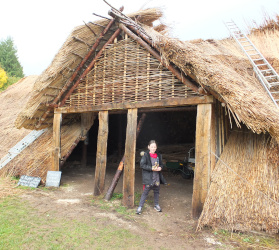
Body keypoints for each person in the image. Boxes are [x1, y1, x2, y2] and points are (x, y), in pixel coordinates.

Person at [136, 140, 167, 215]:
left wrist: (160, 168)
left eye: (154, 147)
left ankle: (156, 205)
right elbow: (142, 165)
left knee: (156, 191)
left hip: (156, 177)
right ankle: (140, 207)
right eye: (152, 147)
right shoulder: (146, 155)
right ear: (148, 147)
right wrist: (151, 168)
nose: (153, 148)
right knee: (145, 192)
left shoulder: (158, 155)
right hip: (149, 178)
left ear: (156, 148)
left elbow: (162, 164)